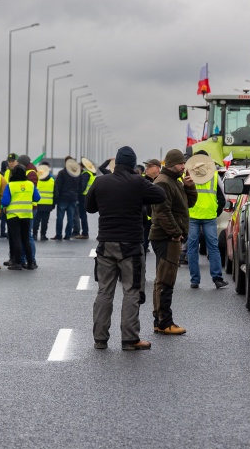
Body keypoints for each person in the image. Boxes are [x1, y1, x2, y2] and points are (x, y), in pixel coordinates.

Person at [86, 146, 166, 351]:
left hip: (105, 245)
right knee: (131, 291)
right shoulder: (138, 182)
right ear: (132, 164)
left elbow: (90, 207)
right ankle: (130, 339)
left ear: (115, 163)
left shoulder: (100, 182)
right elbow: (160, 195)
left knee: (104, 292)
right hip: (130, 246)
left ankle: (100, 339)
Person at [149, 149, 196, 335]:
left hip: (168, 236)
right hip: (166, 237)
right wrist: (175, 233)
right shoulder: (162, 182)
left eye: (184, 163)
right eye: (180, 164)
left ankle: (159, 320)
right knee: (166, 281)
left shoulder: (174, 181)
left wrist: (189, 187)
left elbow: (187, 205)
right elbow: (162, 211)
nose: (183, 167)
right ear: (170, 164)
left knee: (162, 279)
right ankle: (164, 322)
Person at [185, 152, 228, 289]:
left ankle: (194, 280)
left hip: (192, 216)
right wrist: (215, 212)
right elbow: (223, 198)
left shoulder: (188, 175)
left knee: (192, 249)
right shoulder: (214, 175)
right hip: (209, 217)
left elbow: (182, 196)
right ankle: (217, 279)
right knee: (213, 248)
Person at [1, 165, 40, 270]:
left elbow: (5, 201)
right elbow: (37, 197)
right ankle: (31, 263)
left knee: (16, 239)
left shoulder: (10, 185)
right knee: (26, 239)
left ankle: (17, 263)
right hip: (27, 215)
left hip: (13, 215)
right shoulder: (30, 184)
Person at [52, 156, 81, 240]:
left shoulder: (62, 173)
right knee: (70, 217)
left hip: (63, 198)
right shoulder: (77, 174)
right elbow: (80, 186)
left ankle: (58, 235)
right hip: (73, 198)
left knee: (60, 218)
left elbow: (57, 186)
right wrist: (76, 195)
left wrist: (56, 198)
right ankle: (67, 235)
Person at [74, 158, 97, 239]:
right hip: (88, 196)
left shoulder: (86, 174)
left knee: (82, 215)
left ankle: (84, 233)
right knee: (83, 215)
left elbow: (83, 186)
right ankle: (85, 232)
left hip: (83, 196)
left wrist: (78, 194)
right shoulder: (92, 174)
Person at [33, 163, 55, 241]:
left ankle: (34, 235)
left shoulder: (37, 180)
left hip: (38, 204)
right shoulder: (52, 181)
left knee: (36, 220)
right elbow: (55, 193)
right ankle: (43, 235)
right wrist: (53, 204)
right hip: (48, 204)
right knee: (45, 221)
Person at [0, 153, 19, 238]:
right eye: (9, 161)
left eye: (12, 161)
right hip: (8, 203)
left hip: (17, 203)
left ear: (17, 161)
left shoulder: (20, 171)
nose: (10, 163)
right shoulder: (7, 172)